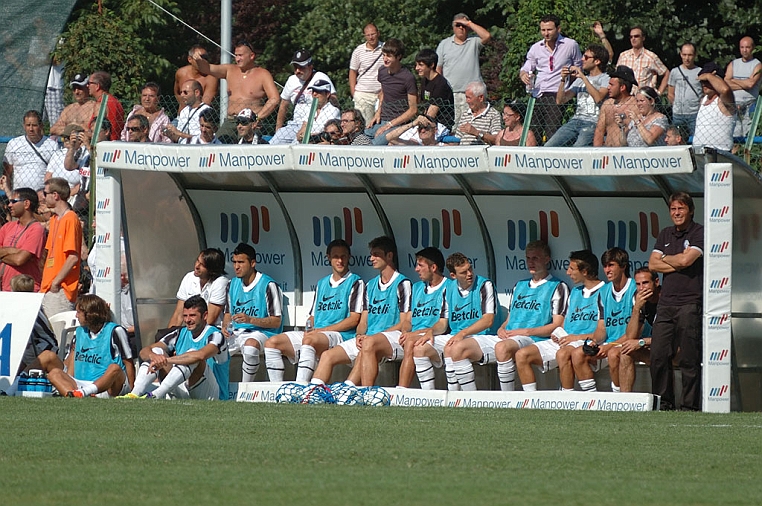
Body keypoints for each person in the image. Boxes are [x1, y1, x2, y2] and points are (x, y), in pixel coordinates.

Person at [448, 240, 568, 391]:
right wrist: (501, 328)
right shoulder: (520, 285)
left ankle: (507, 400)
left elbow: (557, 324)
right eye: (528, 258)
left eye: (535, 258)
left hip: (532, 338)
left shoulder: (557, 286)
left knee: (502, 347)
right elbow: (510, 318)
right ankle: (470, 400)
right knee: (459, 348)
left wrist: (524, 331)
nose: (530, 262)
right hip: (508, 336)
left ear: (546, 259)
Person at [311, 236, 411, 386]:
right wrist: (359, 335)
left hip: (392, 337)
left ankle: (360, 391)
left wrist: (373, 337)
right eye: (371, 254)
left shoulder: (402, 283)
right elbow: (363, 321)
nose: (371, 258)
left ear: (389, 256)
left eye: (376, 254)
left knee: (368, 344)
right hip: (369, 338)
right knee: (327, 355)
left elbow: (404, 323)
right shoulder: (370, 285)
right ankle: (312, 392)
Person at [265, 239, 363, 384]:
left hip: (341, 335)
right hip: (318, 333)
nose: (340, 260)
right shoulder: (322, 283)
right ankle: (275, 389)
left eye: (343, 256)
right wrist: (309, 328)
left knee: (310, 340)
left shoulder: (356, 282)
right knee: (272, 343)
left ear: (349, 257)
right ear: (328, 257)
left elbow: (354, 319)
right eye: (336, 256)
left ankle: (301, 387)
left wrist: (321, 330)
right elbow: (312, 316)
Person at [357, 246, 447, 388]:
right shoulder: (417, 287)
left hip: (432, 335)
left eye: (420, 265)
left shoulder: (448, 287)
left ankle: (402, 390)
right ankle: (366, 392)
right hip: (410, 334)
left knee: (411, 342)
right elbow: (408, 320)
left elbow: (443, 325)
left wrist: (413, 334)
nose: (416, 269)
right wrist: (405, 331)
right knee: (369, 342)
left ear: (433, 267)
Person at [516, 250, 603, 392]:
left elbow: (602, 331)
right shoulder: (575, 291)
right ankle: (530, 402)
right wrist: (557, 333)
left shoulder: (604, 291)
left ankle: (567, 399)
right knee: (522, 355)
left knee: (563, 354)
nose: (568, 273)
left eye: (571, 269)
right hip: (566, 339)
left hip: (585, 341)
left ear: (585, 271)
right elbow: (566, 321)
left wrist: (575, 337)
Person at [648, 192, 704, 411]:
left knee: (689, 359)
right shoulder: (665, 234)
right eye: (673, 209)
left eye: (681, 208)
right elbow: (653, 265)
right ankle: (664, 403)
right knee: (659, 355)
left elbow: (686, 259)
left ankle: (690, 407)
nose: (677, 213)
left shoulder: (699, 232)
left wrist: (667, 259)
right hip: (666, 304)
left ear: (690, 210)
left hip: (690, 303)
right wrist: (676, 262)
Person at [413, 252, 495, 391]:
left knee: (454, 348)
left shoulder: (484, 285)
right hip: (457, 335)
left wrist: (463, 334)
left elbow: (488, 321)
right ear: (453, 276)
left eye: (470, 269)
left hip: (481, 336)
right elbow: (443, 322)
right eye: (463, 272)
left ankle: (467, 399)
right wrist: (431, 331)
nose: (469, 274)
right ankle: (429, 398)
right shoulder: (449, 288)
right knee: (420, 348)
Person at [122, 295, 229, 400]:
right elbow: (144, 352)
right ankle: (135, 394)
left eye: (192, 315)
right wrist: (154, 356)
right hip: (184, 387)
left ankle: (155, 395)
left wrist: (166, 360)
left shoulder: (215, 335)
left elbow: (201, 355)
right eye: (185, 316)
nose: (187, 320)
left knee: (192, 355)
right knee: (156, 351)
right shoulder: (179, 333)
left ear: (205, 316)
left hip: (212, 394)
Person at [563, 247, 636, 392]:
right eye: (605, 266)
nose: (607, 270)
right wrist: (595, 342)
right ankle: (592, 399)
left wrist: (609, 346)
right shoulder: (604, 291)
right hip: (610, 342)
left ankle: (619, 398)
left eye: (611, 265)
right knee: (578, 353)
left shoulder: (634, 288)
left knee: (614, 353)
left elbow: (635, 331)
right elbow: (602, 328)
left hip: (630, 341)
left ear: (623, 266)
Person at [35, 294, 134, 398]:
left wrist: (133, 392)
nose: (76, 316)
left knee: (115, 368)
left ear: (90, 314)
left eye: (78, 312)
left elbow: (129, 363)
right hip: (81, 384)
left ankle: (85, 393)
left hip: (108, 385)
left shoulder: (115, 331)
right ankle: (18, 382)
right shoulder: (79, 332)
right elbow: (71, 361)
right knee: (54, 373)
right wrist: (64, 377)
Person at [192, 40, 279, 140]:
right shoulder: (230, 70)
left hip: (250, 122)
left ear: (251, 56)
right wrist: (199, 60)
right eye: (236, 55)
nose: (237, 59)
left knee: (246, 149)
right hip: (231, 121)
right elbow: (207, 69)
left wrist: (258, 117)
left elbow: (274, 98)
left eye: (240, 55)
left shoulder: (263, 74)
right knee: (219, 144)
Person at [221, 243, 283, 383]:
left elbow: (276, 321)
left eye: (241, 262)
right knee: (213, 345)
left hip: (263, 333)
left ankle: (245, 388)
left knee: (250, 346)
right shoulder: (232, 284)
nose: (236, 266)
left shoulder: (268, 285)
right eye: (234, 262)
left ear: (253, 263)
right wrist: (225, 327)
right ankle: (217, 387)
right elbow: (227, 314)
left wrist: (250, 320)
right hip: (236, 333)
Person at [520, 14, 583, 142]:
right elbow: (526, 68)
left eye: (549, 29)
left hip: (557, 94)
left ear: (558, 29)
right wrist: (524, 75)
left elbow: (579, 69)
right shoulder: (536, 48)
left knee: (552, 133)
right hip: (538, 94)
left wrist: (570, 88)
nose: (546, 33)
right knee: (533, 132)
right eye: (543, 30)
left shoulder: (570, 45)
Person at [545, 44, 610, 147]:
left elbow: (598, 99)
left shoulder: (605, 78)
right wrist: (562, 79)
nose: (582, 59)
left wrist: (584, 78)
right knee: (549, 146)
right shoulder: (579, 79)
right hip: (575, 120)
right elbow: (560, 101)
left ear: (597, 61)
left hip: (593, 122)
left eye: (586, 57)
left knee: (578, 149)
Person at [436, 13, 491, 128]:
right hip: (451, 94)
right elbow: (438, 68)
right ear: (453, 27)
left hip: (472, 94)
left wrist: (469, 23)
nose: (461, 28)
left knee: (473, 125)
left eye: (464, 26)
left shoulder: (474, 42)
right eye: (458, 25)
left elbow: (486, 36)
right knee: (452, 126)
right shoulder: (444, 44)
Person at [609, 267, 660, 392]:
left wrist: (641, 342)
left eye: (646, 283)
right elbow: (631, 336)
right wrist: (637, 308)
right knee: (626, 351)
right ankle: (625, 401)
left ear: (657, 282)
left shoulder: (667, 299)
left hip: (675, 348)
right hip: (657, 347)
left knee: (660, 351)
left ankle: (665, 400)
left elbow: (669, 338)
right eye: (638, 284)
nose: (642, 288)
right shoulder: (639, 300)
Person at [271, 49, 337, 145]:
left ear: (310, 66)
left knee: (296, 147)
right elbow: (283, 105)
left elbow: (334, 100)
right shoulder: (291, 80)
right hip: (294, 124)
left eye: (301, 67)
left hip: (314, 125)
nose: (297, 71)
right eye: (295, 67)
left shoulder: (321, 78)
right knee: (273, 143)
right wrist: (278, 129)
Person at [40, 177, 82, 318]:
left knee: (60, 337)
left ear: (55, 195)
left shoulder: (70, 218)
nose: (43, 197)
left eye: (45, 193)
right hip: (48, 287)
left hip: (59, 289)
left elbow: (73, 257)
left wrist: (56, 282)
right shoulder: (54, 219)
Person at [367, 39, 418, 146]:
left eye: (389, 56)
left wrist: (390, 124)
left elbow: (413, 109)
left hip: (398, 124)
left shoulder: (407, 78)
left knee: (374, 145)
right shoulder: (382, 71)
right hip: (381, 120)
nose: (385, 59)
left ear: (398, 56)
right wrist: (377, 113)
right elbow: (383, 93)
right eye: (384, 55)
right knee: (358, 140)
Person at [9, 274, 58, 377]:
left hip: (42, 345)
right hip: (32, 344)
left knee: (15, 356)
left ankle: (17, 379)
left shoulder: (31, 309)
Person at [168, 248, 229, 328]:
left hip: (213, 331)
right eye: (197, 261)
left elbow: (209, 320)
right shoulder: (189, 277)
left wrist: (187, 338)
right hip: (190, 330)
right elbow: (178, 315)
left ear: (212, 269)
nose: (197, 266)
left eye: (202, 265)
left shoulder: (221, 282)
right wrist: (166, 337)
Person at [0, 188, 45, 292]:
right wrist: (13, 251)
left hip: (25, 290)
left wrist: (2, 255)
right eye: (9, 202)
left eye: (13, 201)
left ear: (26, 204)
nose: (9, 205)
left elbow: (19, 260)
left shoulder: (36, 229)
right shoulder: (8, 227)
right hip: (5, 288)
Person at [2, 110, 58, 192]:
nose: (31, 129)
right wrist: (10, 195)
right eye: (28, 125)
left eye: (34, 125)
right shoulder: (14, 144)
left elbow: (55, 173)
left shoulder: (52, 145)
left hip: (42, 195)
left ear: (41, 126)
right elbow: (7, 173)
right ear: (24, 126)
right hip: (19, 194)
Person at [693, 62, 736, 153]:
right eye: (703, 81)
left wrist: (709, 76)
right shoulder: (703, 100)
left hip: (719, 154)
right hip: (699, 153)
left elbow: (725, 90)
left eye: (708, 81)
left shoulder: (723, 100)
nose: (704, 84)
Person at [725, 37, 762, 138]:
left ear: (753, 48)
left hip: (750, 106)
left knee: (749, 135)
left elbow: (751, 84)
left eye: (747, 47)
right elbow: (725, 83)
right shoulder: (733, 64)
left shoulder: (757, 65)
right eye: (742, 47)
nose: (744, 50)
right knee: (734, 135)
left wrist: (733, 80)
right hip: (734, 105)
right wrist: (744, 84)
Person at [593, 65, 639, 147]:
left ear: (622, 87)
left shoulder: (636, 105)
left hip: (627, 154)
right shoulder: (607, 104)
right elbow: (599, 131)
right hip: (608, 151)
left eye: (612, 85)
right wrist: (597, 151)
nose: (608, 87)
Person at [349, 23, 384, 125]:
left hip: (381, 94)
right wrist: (354, 92)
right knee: (365, 125)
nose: (371, 37)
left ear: (378, 33)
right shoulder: (358, 51)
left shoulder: (386, 49)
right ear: (364, 36)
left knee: (380, 125)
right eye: (368, 35)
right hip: (363, 93)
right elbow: (352, 71)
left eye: (373, 34)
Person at [616, 26, 669, 92]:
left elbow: (666, 73)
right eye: (631, 37)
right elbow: (617, 77)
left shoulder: (651, 57)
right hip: (626, 97)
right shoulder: (623, 56)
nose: (633, 39)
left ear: (643, 38)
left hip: (644, 98)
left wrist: (658, 93)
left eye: (636, 36)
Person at [414, 49, 455, 131]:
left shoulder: (440, 84)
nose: (416, 68)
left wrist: (417, 124)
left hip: (441, 125)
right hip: (427, 123)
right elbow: (426, 107)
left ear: (431, 65)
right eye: (416, 65)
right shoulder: (425, 80)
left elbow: (431, 114)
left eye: (420, 65)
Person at [667, 43, 702, 135]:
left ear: (694, 55)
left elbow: (704, 92)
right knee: (676, 139)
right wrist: (676, 105)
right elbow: (670, 93)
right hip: (678, 114)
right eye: (684, 55)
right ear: (681, 54)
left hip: (694, 114)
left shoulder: (700, 72)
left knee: (696, 139)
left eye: (690, 55)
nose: (687, 58)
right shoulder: (675, 72)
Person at [174, 44, 219, 112]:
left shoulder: (211, 78)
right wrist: (183, 106)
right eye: (198, 58)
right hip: (180, 117)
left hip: (199, 118)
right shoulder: (181, 73)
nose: (202, 60)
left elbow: (205, 103)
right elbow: (177, 92)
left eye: (205, 58)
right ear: (190, 59)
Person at [46, 124, 83, 197]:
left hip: (73, 194)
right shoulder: (58, 153)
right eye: (64, 137)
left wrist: (66, 195)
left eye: (68, 137)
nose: (65, 140)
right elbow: (48, 176)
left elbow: (83, 183)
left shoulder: (84, 154)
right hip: (54, 193)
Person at [87, 71, 124, 141]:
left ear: (97, 86)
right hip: (115, 143)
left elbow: (96, 132)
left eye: (89, 83)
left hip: (103, 145)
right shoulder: (116, 102)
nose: (87, 86)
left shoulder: (101, 104)